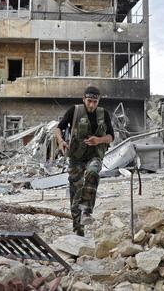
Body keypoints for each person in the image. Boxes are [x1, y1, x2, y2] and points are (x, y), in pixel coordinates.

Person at [54, 86, 114, 236]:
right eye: (89, 101)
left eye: (95, 101)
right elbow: (58, 128)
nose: (92, 105)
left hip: (94, 155)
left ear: (98, 100)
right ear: (83, 99)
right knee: (76, 195)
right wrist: (61, 141)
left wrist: (99, 140)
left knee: (93, 172)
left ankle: (87, 211)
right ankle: (78, 231)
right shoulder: (75, 111)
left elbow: (111, 136)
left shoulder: (103, 114)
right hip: (75, 158)